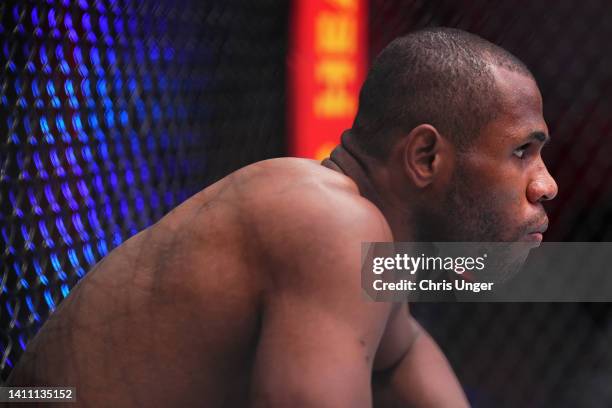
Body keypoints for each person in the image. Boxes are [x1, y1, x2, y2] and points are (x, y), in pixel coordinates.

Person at [7, 27, 557, 407]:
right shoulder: (334, 224)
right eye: (521, 151)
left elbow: (402, 352)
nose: (546, 184)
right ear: (426, 158)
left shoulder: (363, 244)